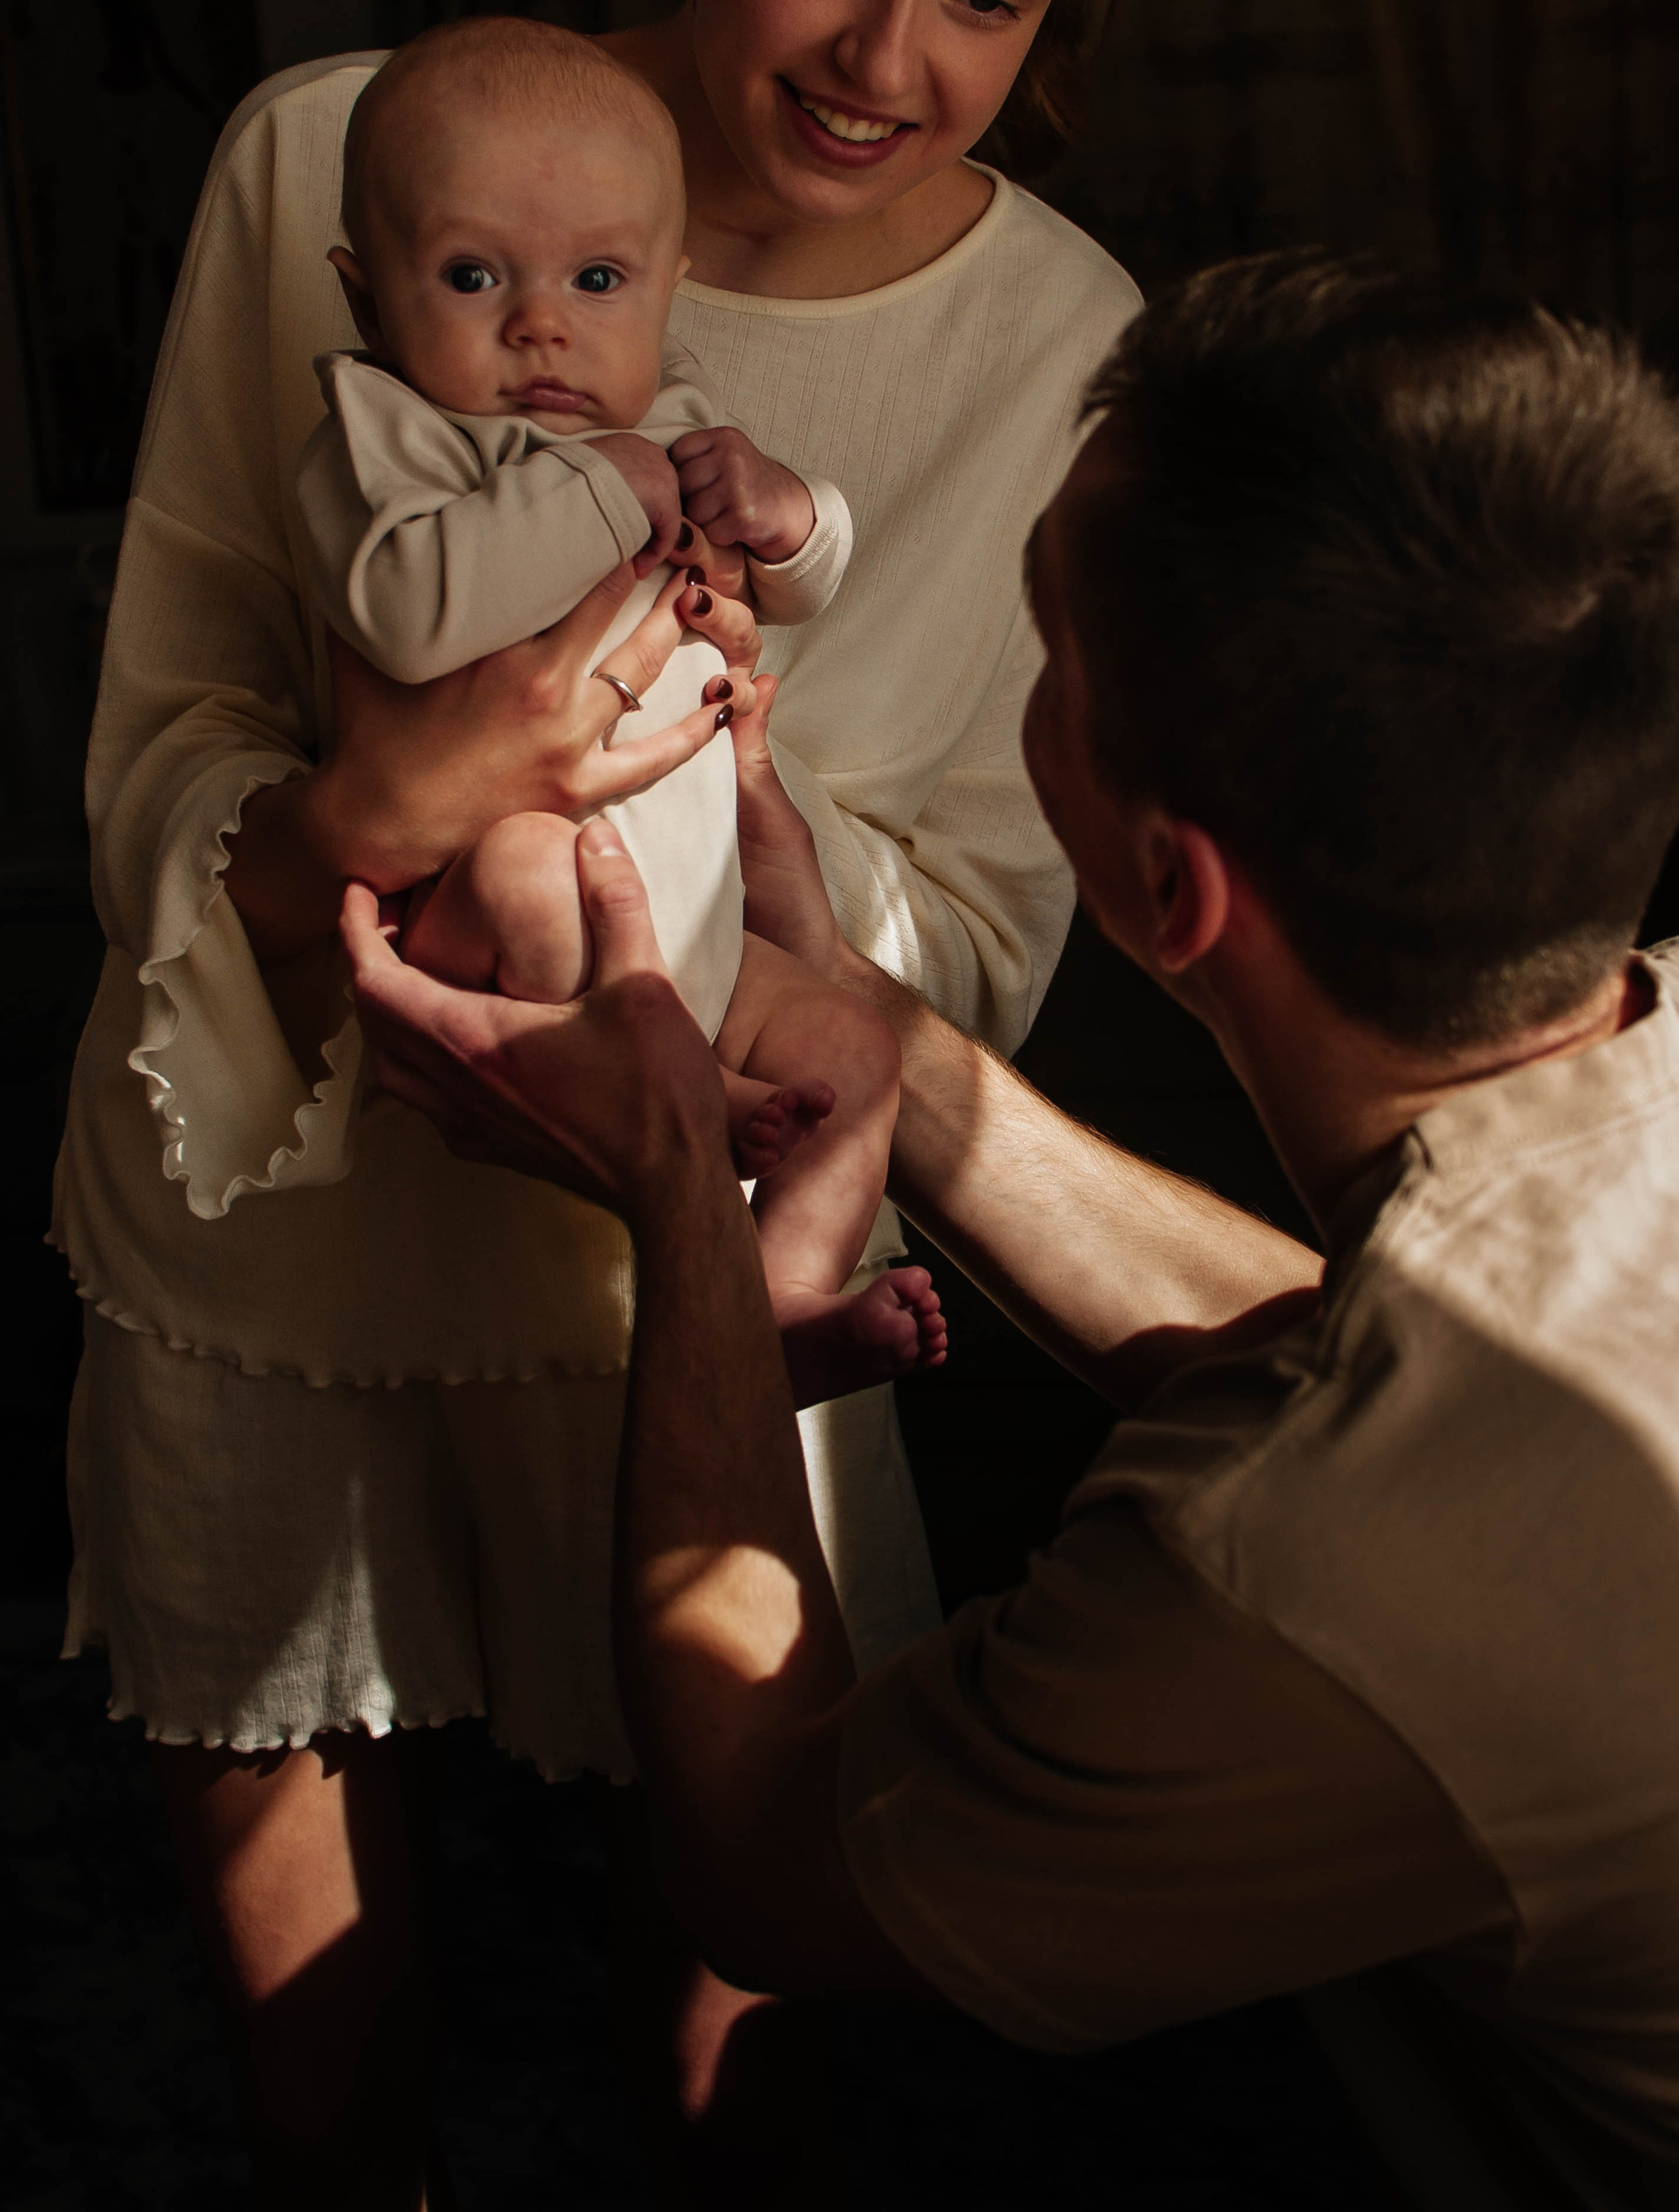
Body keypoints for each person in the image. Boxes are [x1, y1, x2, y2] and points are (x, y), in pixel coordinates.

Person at [52, 0, 1140, 2198]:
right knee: (259, 1727)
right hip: (294, 1113)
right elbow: (160, 738)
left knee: (753, 1798)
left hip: (710, 1171)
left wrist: (711, 822)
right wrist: (379, 804)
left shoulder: (1067, 341)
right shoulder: (326, 153)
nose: (887, 56)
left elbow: (970, 923)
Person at [348, 252, 1679, 2185]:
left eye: (1048, 651)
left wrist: (680, 1206)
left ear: (1163, 883)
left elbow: (756, 1860)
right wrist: (892, 1049)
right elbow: (1413, 1368)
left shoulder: (1291, 1587)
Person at [302, 13, 945, 1382]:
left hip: (702, 918)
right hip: (507, 897)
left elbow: (796, 587)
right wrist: (605, 486)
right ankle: (682, 1116)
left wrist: (787, 516)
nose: (540, 321)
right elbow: (410, 616)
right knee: (536, 872)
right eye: (472, 275)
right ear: (369, 301)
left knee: (851, 1049)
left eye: (597, 277)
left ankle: (777, 1303)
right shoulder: (386, 439)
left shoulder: (666, 419)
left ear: (668, 289)